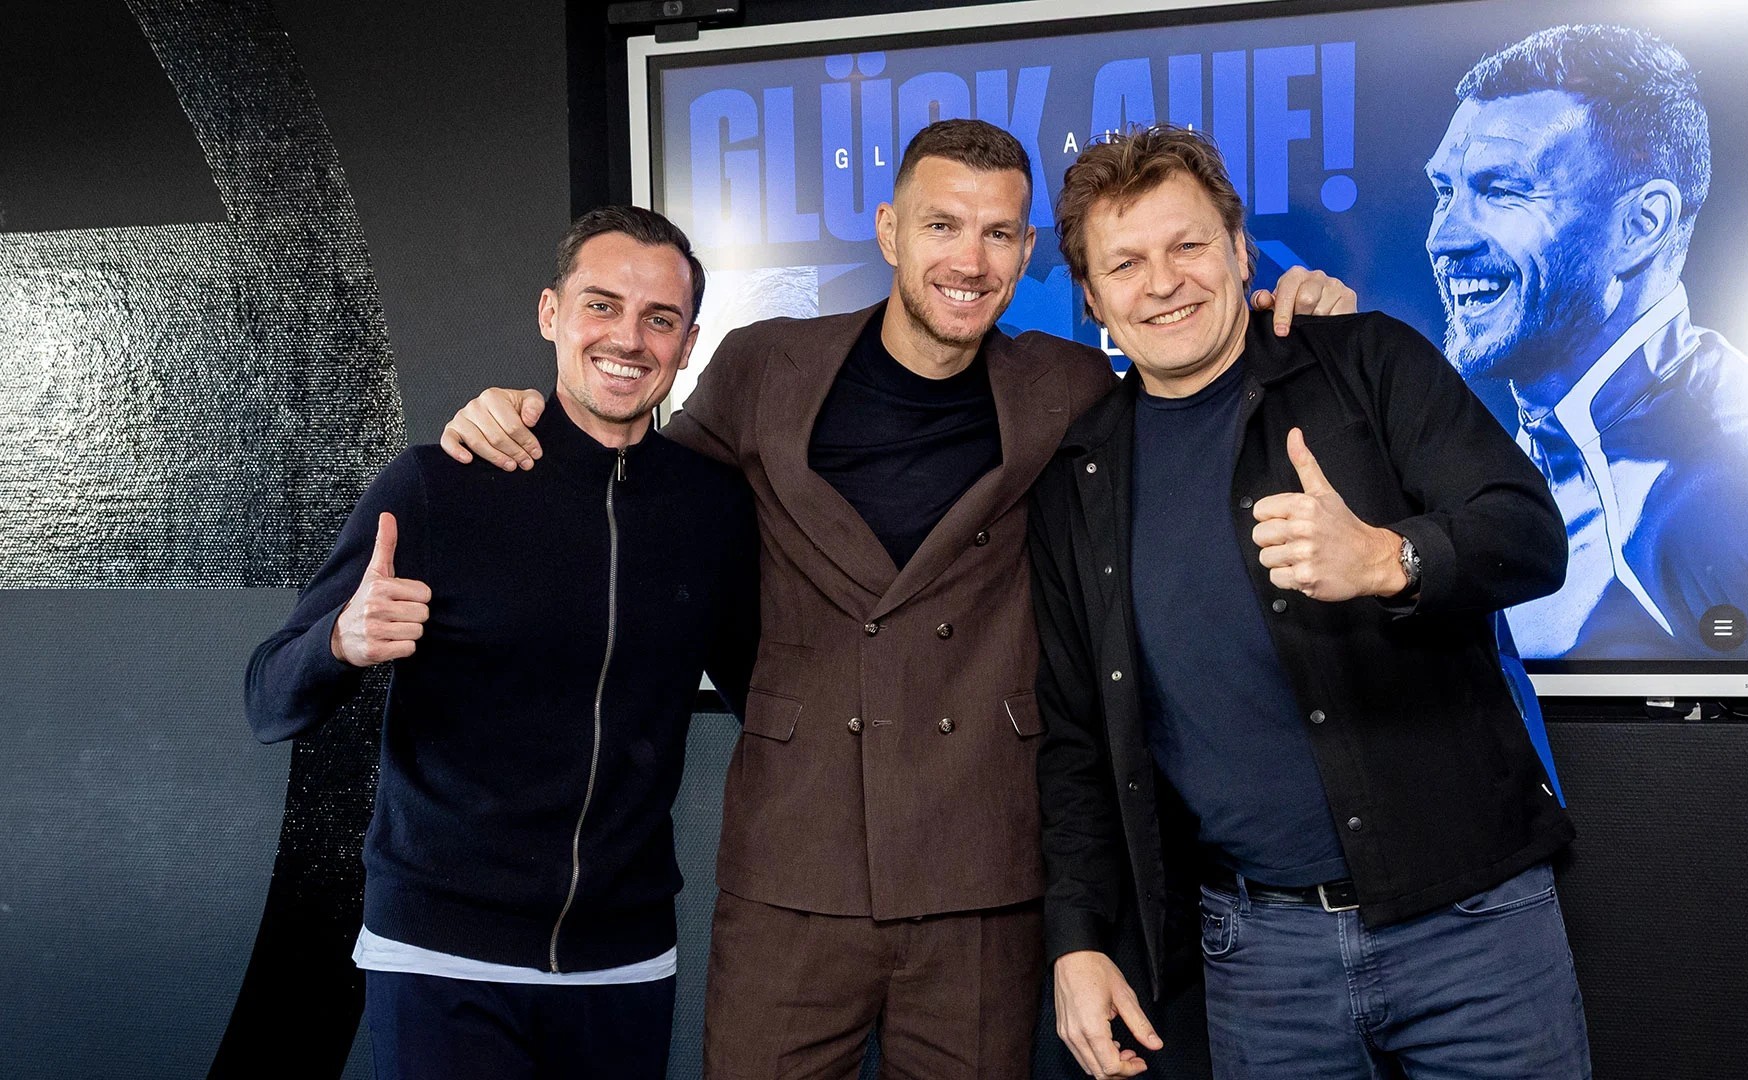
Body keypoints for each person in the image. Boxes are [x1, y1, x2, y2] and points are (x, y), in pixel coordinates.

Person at [439, 119, 1354, 1078]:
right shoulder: (764, 366)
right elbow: (639, 488)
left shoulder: (1069, 383)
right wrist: (521, 413)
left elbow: (1195, 378)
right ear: (888, 231)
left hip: (982, 861)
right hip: (794, 852)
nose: (970, 260)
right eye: (942, 226)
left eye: (998, 233)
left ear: (1028, 252)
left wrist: (1298, 319)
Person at [1029, 126, 1586, 1079]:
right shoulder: (1078, 479)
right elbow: (1077, 737)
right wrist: (1077, 936)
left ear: (1241, 252)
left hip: (1472, 924)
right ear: (1091, 296)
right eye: (1125, 263)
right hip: (1258, 957)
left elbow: (1531, 532)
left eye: (1189, 245)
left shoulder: (1368, 361)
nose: (1163, 283)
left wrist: (1388, 558)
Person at [244, 206, 759, 1080]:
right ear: (551, 313)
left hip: (623, 962)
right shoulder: (439, 483)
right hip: (442, 956)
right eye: (601, 305)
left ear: (688, 344)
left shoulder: (713, 510)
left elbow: (773, 691)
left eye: (659, 319)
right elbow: (267, 697)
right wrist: (338, 638)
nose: (627, 339)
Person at [1424, 23, 1748, 660]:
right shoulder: (1527, 445)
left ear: (1641, 225)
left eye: (1502, 190)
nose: (1444, 238)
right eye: (1445, 192)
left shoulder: (1724, 484)